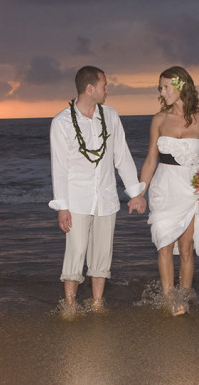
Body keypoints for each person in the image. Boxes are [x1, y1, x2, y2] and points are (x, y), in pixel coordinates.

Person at [49, 66, 147, 313]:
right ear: (90, 88)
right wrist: (63, 207)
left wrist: (135, 193)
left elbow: (122, 156)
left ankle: (96, 303)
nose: (108, 89)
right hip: (76, 199)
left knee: (102, 252)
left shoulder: (111, 116)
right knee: (77, 249)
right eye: (105, 85)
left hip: (106, 197)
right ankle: (70, 305)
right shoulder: (61, 123)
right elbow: (59, 168)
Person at [137, 66, 199, 315]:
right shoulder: (159, 120)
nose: (162, 92)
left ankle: (183, 297)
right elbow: (151, 158)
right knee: (163, 242)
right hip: (164, 185)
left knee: (185, 248)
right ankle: (170, 299)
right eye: (160, 87)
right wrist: (140, 192)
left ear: (181, 86)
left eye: (166, 87)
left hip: (190, 187)